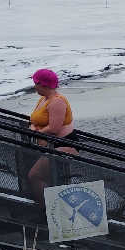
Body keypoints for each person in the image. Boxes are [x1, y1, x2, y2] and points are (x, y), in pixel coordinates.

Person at [27, 69, 78, 206]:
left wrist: (36, 132)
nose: (34, 86)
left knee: (35, 176)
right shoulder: (43, 99)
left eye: (35, 83)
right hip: (50, 144)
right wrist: (33, 127)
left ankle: (51, 209)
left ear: (42, 84)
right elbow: (35, 119)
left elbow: (54, 128)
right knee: (50, 178)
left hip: (63, 144)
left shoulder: (57, 102)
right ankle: (55, 208)